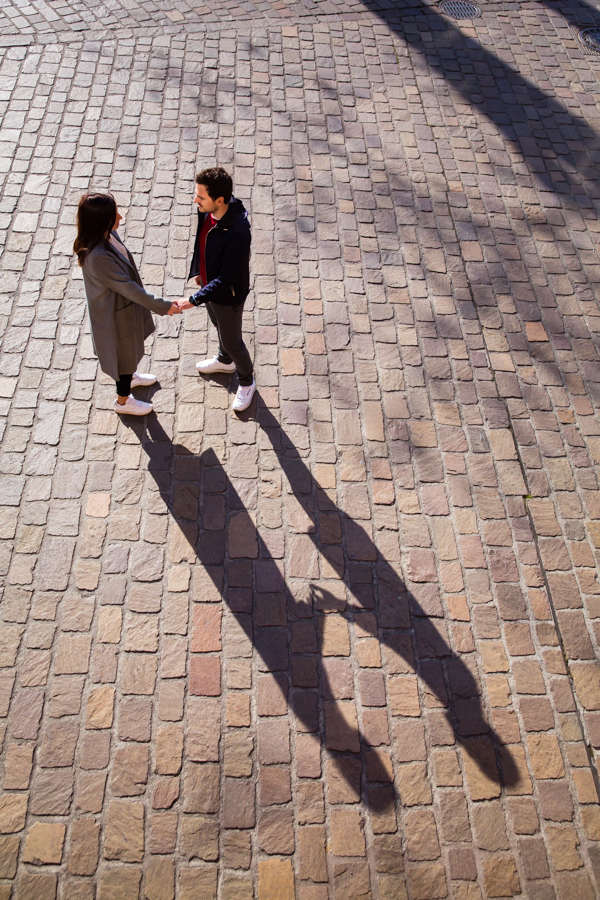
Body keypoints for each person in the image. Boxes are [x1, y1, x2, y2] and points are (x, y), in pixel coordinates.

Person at [74, 192, 180, 417]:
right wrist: (164, 305)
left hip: (121, 310)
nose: (120, 218)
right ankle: (123, 402)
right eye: (114, 215)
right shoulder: (99, 256)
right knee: (122, 362)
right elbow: (129, 288)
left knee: (127, 355)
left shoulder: (105, 235)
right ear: (101, 220)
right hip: (114, 318)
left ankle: (131, 378)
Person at [176, 167, 255, 413]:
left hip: (226, 295)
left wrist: (194, 299)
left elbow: (228, 277)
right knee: (218, 327)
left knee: (233, 342)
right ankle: (224, 361)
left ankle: (247, 381)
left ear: (219, 200)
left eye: (201, 196)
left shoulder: (239, 232)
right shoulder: (207, 212)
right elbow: (200, 240)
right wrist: (197, 271)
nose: (195, 201)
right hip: (209, 287)